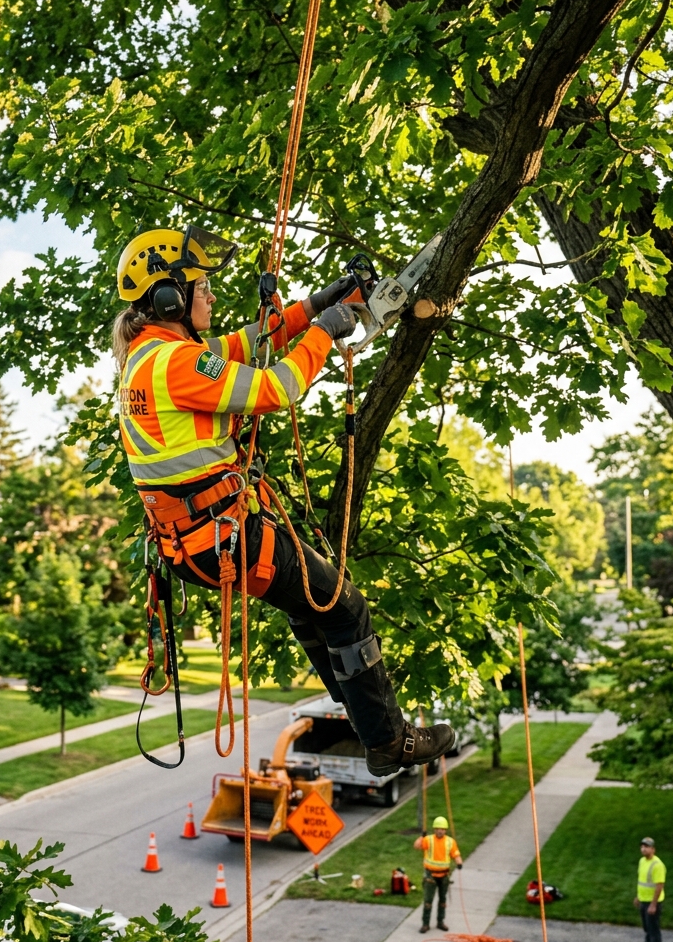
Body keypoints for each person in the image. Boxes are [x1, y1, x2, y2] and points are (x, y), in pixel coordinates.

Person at [113, 225, 457, 775]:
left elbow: (253, 341)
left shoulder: (153, 356)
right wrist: (323, 334)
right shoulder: (176, 364)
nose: (211, 294)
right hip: (222, 536)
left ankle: (360, 707)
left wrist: (318, 303)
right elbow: (275, 388)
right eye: (202, 286)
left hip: (196, 541)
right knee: (344, 605)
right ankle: (390, 741)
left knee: (310, 604)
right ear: (169, 296)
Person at [414, 815, 463, 932]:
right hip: (430, 875)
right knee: (428, 901)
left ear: (445, 830)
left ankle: (440, 922)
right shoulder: (429, 840)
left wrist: (459, 863)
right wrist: (422, 837)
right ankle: (425, 924)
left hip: (444, 876)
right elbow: (416, 846)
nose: (439, 831)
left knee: (443, 901)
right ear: (434, 829)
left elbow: (455, 854)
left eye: (442, 829)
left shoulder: (450, 842)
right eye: (437, 828)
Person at [633, 836, 666, 942]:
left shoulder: (657, 865)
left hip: (653, 903)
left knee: (653, 931)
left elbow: (659, 885)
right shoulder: (642, 861)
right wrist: (638, 897)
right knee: (647, 929)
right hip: (644, 900)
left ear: (653, 849)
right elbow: (643, 881)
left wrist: (653, 904)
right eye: (642, 846)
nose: (643, 849)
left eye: (646, 847)